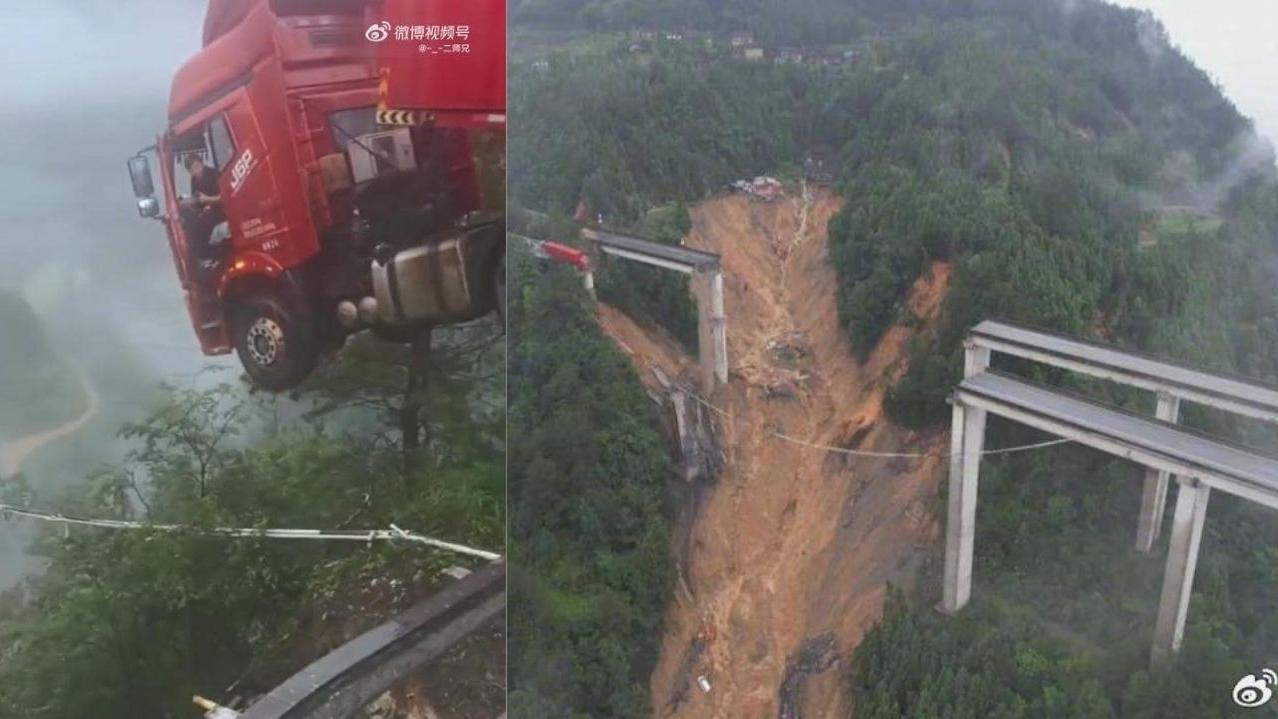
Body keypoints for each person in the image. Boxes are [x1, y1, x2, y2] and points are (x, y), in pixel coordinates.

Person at [180, 153, 227, 275]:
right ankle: (203, 258)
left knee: (206, 223)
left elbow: (226, 197)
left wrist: (208, 201)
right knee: (192, 223)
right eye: (192, 170)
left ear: (201, 163)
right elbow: (198, 199)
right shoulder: (194, 180)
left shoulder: (214, 174)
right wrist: (190, 203)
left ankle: (215, 256)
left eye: (196, 167)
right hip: (208, 211)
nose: (195, 171)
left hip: (223, 210)